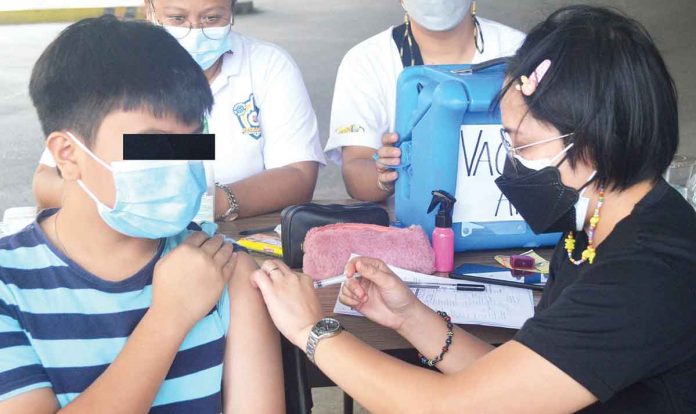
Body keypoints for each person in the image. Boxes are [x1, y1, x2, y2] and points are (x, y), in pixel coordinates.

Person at [250, 6, 696, 413]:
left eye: (521, 143)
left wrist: (312, 331)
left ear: (592, 141)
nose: (509, 161)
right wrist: (411, 318)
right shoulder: (592, 230)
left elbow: (454, 407)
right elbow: (518, 385)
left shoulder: (647, 270)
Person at [0, 16, 284, 413]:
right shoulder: (8, 285)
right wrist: (168, 318)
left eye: (193, 141)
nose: (178, 163)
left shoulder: (225, 267)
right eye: (151, 144)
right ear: (68, 155)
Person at [32, 0, 326, 221]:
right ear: (149, 9)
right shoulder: (114, 69)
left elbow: (298, 173)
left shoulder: (268, 66)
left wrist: (209, 204)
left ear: (232, 12)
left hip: (233, 234)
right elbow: (47, 180)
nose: (194, 31)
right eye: (176, 18)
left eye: (212, 18)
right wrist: (117, 204)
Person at [326, 0, 525, 201]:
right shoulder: (366, 62)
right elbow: (356, 168)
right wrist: (384, 176)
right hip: (408, 227)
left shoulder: (520, 51)